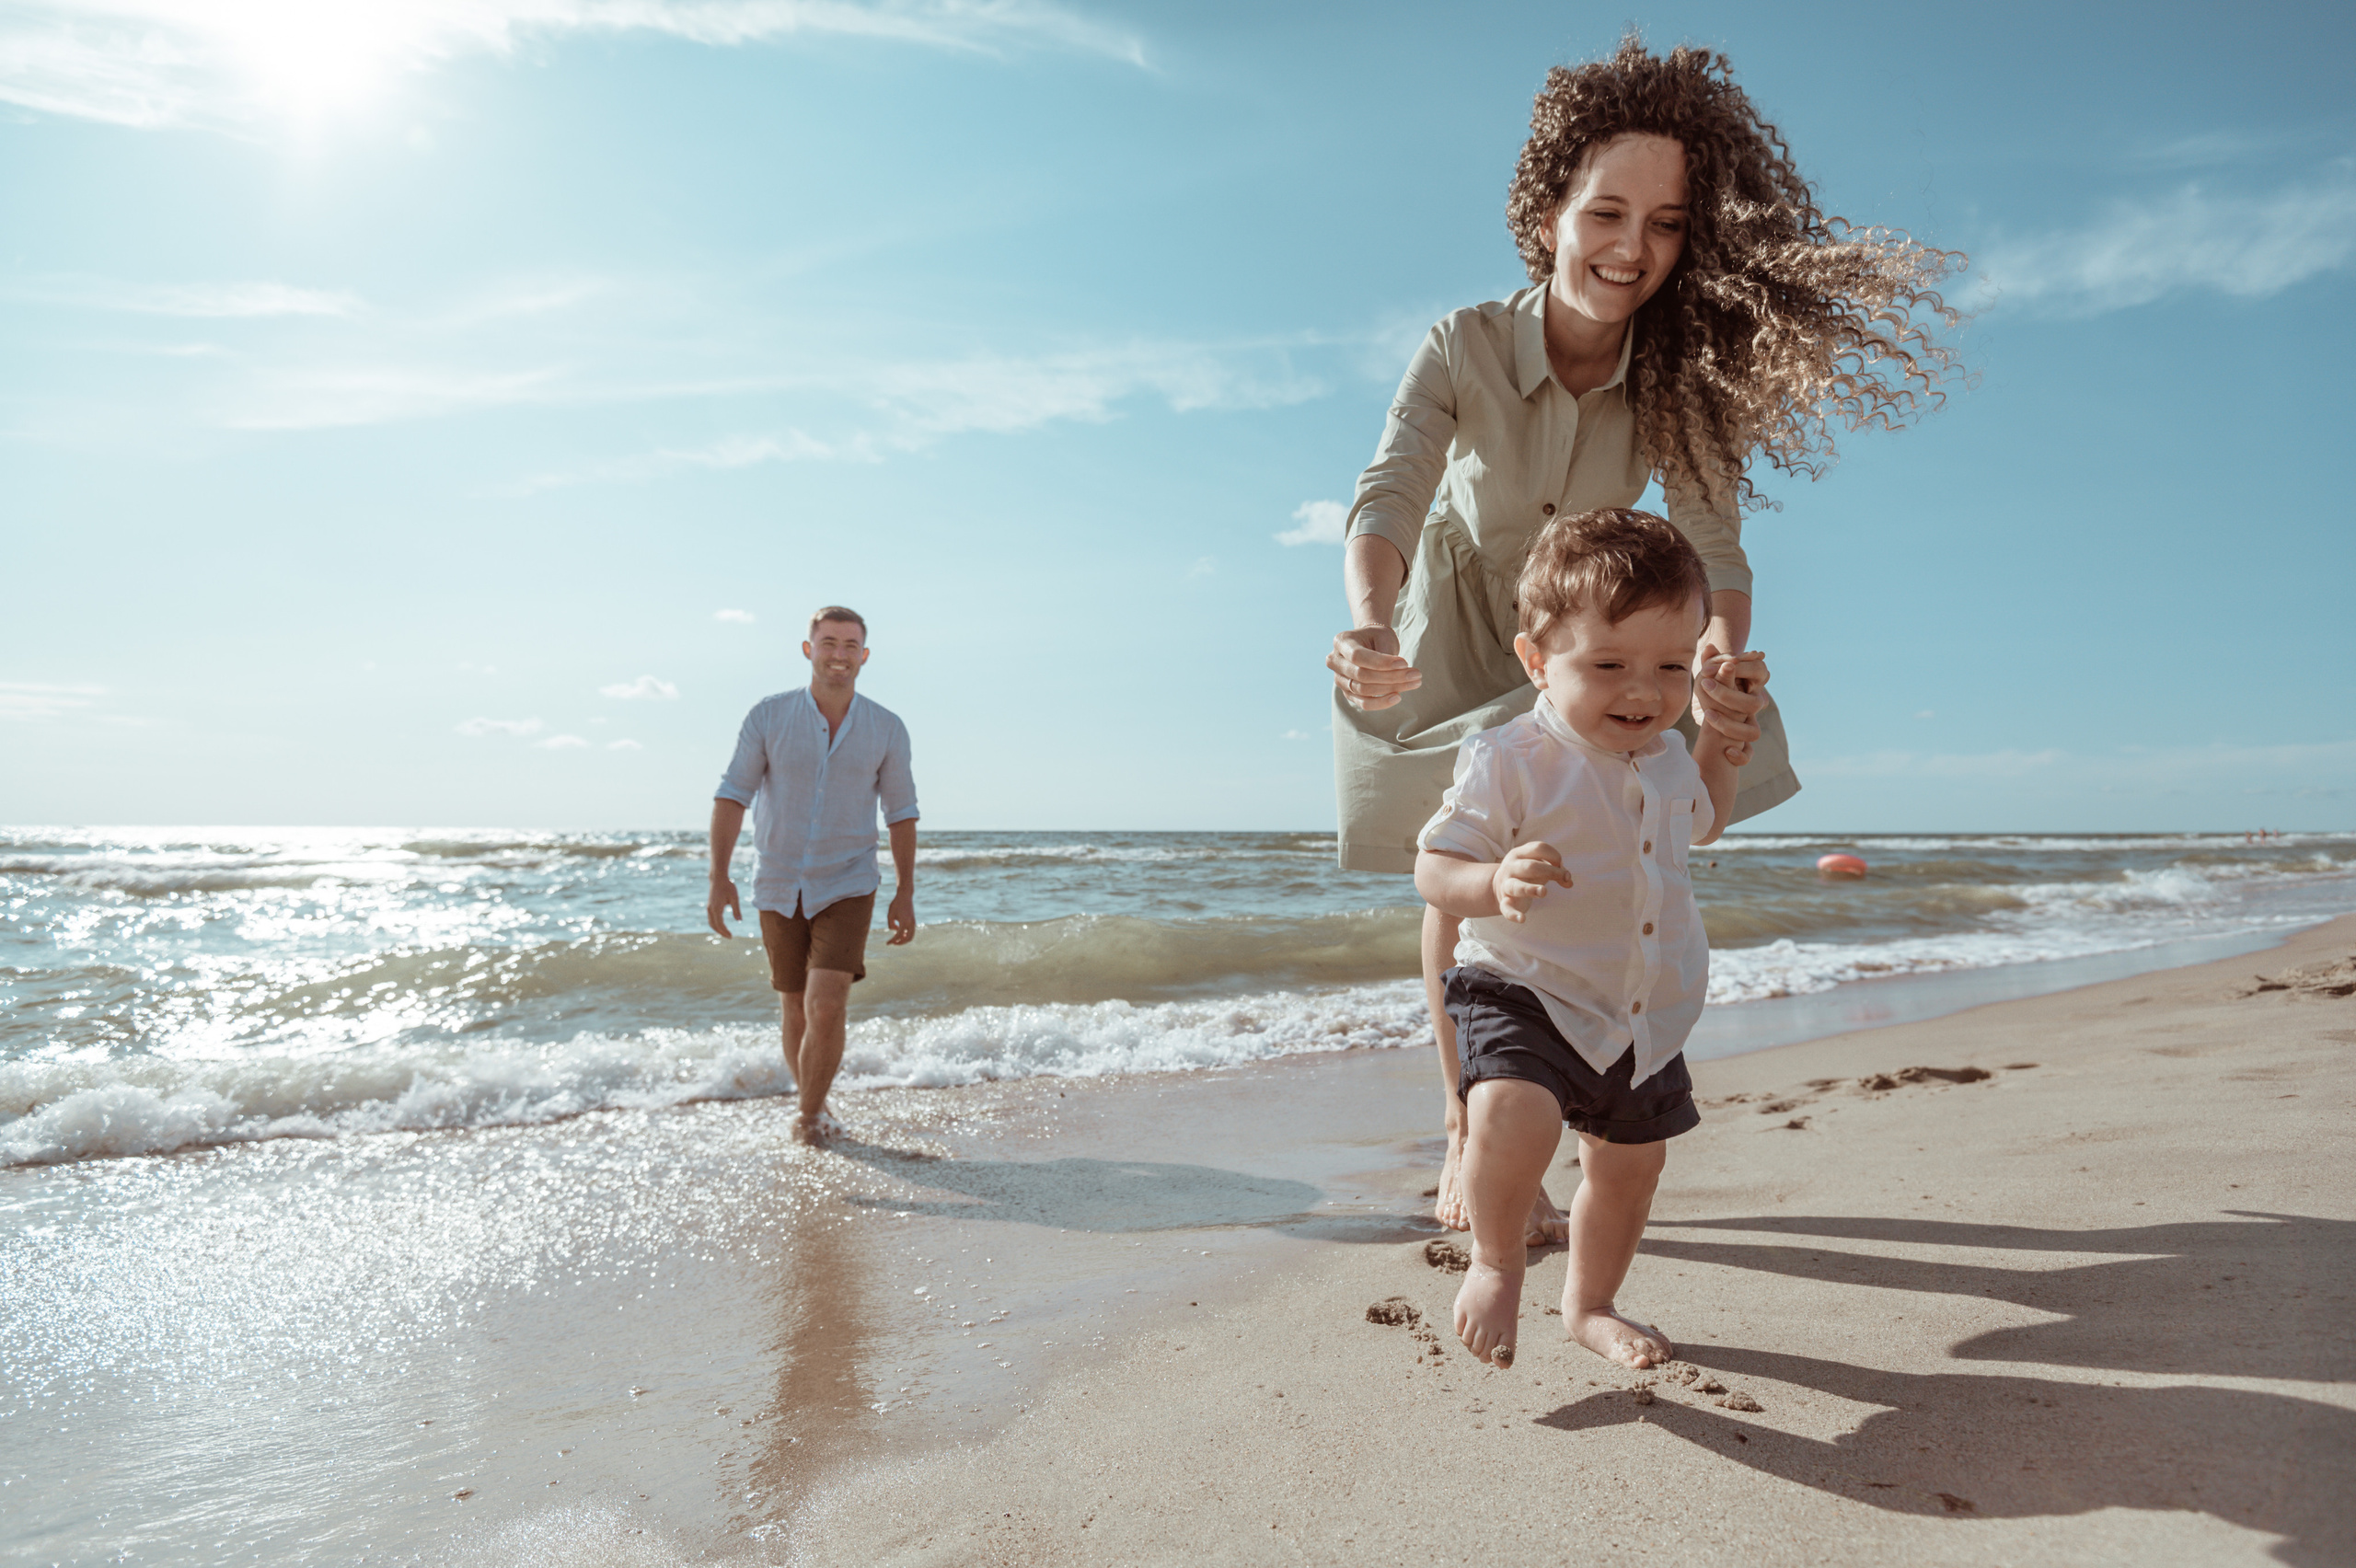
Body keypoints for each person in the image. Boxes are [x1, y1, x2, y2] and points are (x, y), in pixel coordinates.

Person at [1326, 35, 1961, 1240]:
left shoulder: (1682, 379)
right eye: (1606, 211)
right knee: (1463, 849)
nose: (1631, 249)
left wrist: (1717, 663)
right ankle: (1470, 1124)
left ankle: (1586, 1092)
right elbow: (1389, 496)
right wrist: (1365, 618)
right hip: (1465, 613)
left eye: (1665, 225)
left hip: (1596, 621)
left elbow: (1718, 555)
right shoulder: (1462, 344)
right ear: (1549, 207)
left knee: (1615, 830)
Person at [1416, 509, 1758, 1369]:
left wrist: (1719, 737)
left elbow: (1707, 820)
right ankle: (1497, 1263)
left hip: (1642, 1009)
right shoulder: (1510, 757)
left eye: (1672, 667)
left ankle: (1591, 1305)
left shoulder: (1673, 757)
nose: (1644, 692)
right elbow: (1433, 868)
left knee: (1629, 1170)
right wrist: (1489, 883)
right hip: (1525, 985)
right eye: (1608, 666)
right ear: (1537, 660)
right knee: (1511, 1108)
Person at [707, 606, 918, 1146]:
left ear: (864, 656)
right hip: (777, 880)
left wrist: (905, 891)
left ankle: (805, 1120)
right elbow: (733, 794)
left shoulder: (887, 728)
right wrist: (719, 876)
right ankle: (818, 1107)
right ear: (808, 649)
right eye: (828, 643)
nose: (839, 655)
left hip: (848, 880)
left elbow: (901, 812)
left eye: (850, 645)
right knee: (795, 1007)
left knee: (826, 1003)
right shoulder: (768, 717)